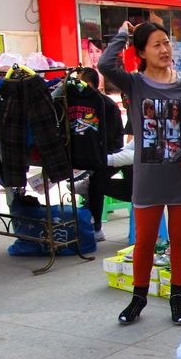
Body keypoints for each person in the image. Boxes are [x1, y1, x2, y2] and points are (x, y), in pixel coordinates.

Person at [99, 20, 181, 326]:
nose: (165, 50)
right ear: (141, 52)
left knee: (179, 240)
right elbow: (104, 64)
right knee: (146, 241)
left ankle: (177, 298)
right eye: (156, 45)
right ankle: (138, 298)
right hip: (148, 179)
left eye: (167, 43)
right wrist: (122, 34)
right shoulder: (135, 84)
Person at [72, 67, 126, 242]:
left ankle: (96, 228)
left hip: (109, 156)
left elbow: (112, 141)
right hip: (86, 156)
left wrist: (98, 158)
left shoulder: (106, 105)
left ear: (91, 84)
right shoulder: (75, 103)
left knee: (96, 182)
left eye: (81, 83)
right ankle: (83, 216)